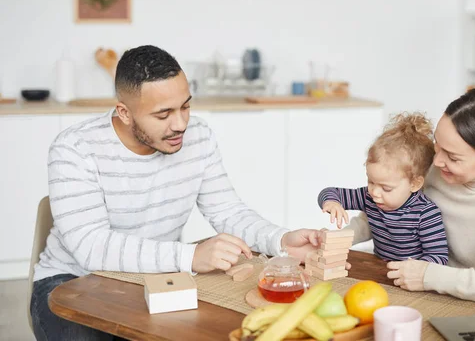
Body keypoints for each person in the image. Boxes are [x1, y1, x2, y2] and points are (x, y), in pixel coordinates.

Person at [31, 45, 324, 341]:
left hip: (158, 277)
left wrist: (280, 240)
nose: (181, 124)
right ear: (124, 113)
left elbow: (228, 211)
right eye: (163, 114)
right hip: (71, 282)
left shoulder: (199, 136)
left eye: (185, 106)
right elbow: (91, 247)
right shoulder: (74, 148)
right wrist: (191, 256)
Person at [346, 89, 475, 302]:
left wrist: (430, 276)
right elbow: (385, 210)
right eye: (438, 144)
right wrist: (333, 241)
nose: (436, 162)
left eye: (453, 157)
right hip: (415, 286)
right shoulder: (436, 163)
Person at [317, 112, 448, 265]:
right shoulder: (368, 197)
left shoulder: (425, 213)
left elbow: (439, 257)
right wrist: (331, 202)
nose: (375, 193)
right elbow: (330, 192)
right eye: (371, 181)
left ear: (415, 184)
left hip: (411, 280)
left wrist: (416, 269)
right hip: (380, 268)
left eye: (386, 188)